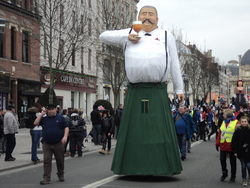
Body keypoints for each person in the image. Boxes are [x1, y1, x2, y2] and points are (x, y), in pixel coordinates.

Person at [99, 5, 184, 175]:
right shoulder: (129, 33)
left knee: (159, 130)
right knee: (134, 132)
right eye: (143, 14)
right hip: (135, 89)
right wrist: (128, 36)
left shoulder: (167, 36)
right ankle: (130, 168)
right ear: (138, 17)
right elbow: (103, 36)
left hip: (157, 89)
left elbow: (174, 63)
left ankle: (163, 168)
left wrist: (179, 88)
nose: (147, 17)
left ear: (157, 19)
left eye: (151, 14)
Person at [34, 104, 69, 185]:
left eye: (53, 109)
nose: (51, 111)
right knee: (46, 160)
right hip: (47, 143)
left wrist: (65, 136)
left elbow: (66, 127)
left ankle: (60, 174)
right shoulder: (44, 118)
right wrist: (41, 114)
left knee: (60, 160)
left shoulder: (60, 118)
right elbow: (35, 123)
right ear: (47, 110)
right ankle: (46, 178)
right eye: (49, 110)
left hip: (58, 143)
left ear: (56, 110)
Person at [215, 109, 238, 183]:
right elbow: (220, 134)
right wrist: (217, 143)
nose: (223, 115)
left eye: (224, 114)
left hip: (231, 145)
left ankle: (233, 176)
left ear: (228, 115)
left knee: (232, 161)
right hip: (223, 144)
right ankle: (224, 173)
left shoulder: (236, 122)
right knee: (222, 160)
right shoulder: (223, 122)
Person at [231, 116, 250, 186]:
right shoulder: (237, 131)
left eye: (245, 122)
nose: (244, 123)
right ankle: (244, 179)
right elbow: (234, 142)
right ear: (240, 122)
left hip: (249, 151)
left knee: (248, 165)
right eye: (242, 122)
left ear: (247, 122)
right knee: (243, 166)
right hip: (241, 151)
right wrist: (235, 151)